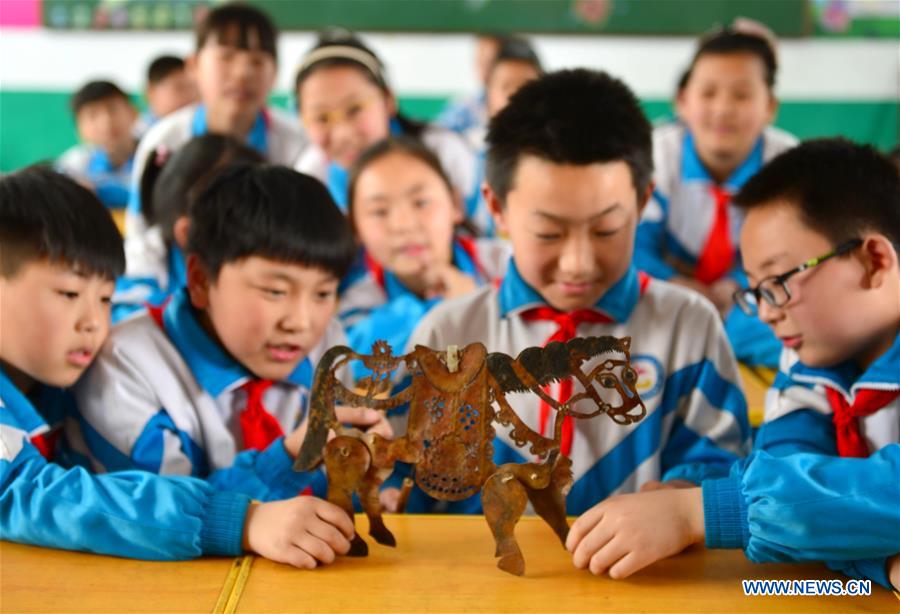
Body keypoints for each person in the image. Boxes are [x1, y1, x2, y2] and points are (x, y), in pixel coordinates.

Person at [404, 69, 749, 515]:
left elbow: (723, 462)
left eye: (606, 229)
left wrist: (683, 498)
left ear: (643, 202)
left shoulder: (687, 326)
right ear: (496, 209)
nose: (578, 263)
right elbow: (409, 481)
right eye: (549, 233)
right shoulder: (449, 335)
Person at [565, 139, 900, 590]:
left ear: (874, 261)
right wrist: (881, 560)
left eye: (778, 282)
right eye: (756, 290)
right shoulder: (810, 361)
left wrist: (702, 512)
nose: (765, 312)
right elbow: (797, 480)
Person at [0, 166, 356, 569]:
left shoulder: (48, 382)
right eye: (68, 294)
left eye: (105, 299)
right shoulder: (121, 366)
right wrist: (240, 520)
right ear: (199, 280)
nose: (94, 323)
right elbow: (23, 491)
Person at [75, 165, 391, 500]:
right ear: (200, 281)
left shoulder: (326, 343)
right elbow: (160, 514)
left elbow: (335, 486)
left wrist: (368, 488)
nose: (301, 322)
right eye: (275, 291)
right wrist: (286, 461)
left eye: (323, 293)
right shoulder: (125, 368)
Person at [124, 2, 307, 308]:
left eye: (257, 61)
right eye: (227, 57)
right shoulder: (164, 140)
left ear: (275, 73)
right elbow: (142, 235)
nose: (242, 73)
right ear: (194, 65)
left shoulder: (296, 143)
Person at [634, 28, 797, 368]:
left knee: (783, 323)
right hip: (665, 294)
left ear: (770, 106)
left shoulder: (788, 165)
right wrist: (673, 282)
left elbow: (791, 253)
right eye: (708, 93)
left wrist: (738, 285)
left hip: (750, 302)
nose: (723, 109)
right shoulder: (654, 157)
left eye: (742, 95)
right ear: (682, 101)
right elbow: (631, 246)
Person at [339, 136, 509, 363]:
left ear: (455, 203)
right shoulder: (355, 309)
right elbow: (357, 367)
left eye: (421, 203)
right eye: (380, 211)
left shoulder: (506, 266)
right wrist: (445, 310)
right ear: (355, 227)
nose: (403, 224)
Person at [293, 28, 476, 216]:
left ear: (388, 100)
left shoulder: (445, 154)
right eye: (321, 118)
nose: (343, 134)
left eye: (355, 109)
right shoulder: (309, 179)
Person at [112, 134, 264, 321]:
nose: (263, 233)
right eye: (250, 220)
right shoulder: (142, 258)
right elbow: (124, 316)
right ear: (187, 232)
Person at [467, 36, 543, 236]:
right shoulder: (465, 151)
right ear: (488, 94)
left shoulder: (559, 155)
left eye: (526, 86)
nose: (515, 95)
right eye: (505, 86)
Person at [56, 80, 138, 219]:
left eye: (112, 109)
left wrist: (98, 192)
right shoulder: (73, 165)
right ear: (79, 129)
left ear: (133, 112)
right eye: (92, 115)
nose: (106, 121)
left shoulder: (157, 155)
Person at [138, 55, 199, 131]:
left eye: (193, 88)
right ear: (151, 92)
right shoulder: (142, 134)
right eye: (179, 88)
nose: (189, 96)